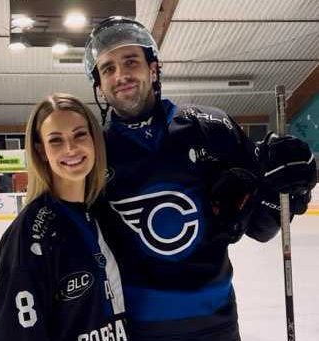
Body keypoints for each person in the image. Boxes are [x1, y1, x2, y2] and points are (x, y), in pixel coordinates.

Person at [84, 16, 317, 341]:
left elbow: (262, 227)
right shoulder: (92, 153)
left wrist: (288, 189)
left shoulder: (213, 128)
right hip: (135, 329)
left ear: (153, 68)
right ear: (98, 85)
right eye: (107, 68)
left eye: (130, 61)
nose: (120, 75)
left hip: (216, 326)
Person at [0, 93, 129, 341]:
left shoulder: (104, 214)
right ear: (41, 151)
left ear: (94, 139)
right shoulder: (30, 234)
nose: (71, 148)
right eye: (56, 140)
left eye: (79, 135)